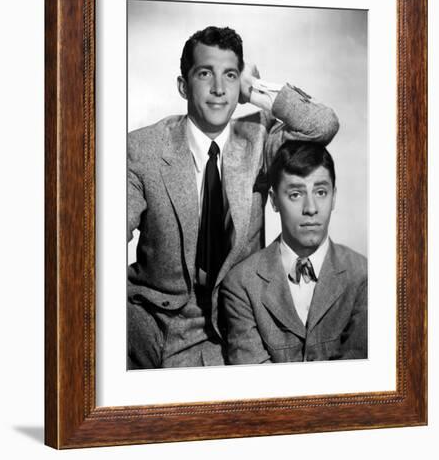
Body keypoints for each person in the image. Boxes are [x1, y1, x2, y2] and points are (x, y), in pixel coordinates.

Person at [127, 26, 339, 369]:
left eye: (229, 75)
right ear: (183, 86)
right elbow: (97, 246)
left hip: (229, 329)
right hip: (149, 327)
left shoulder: (259, 139)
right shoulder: (141, 149)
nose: (218, 88)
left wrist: (253, 88)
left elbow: (323, 124)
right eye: (204, 74)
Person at [221, 140, 367, 364]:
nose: (311, 208)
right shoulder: (240, 285)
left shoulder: (364, 276)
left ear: (334, 197)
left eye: (320, 192)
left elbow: (361, 379)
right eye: (296, 194)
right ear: (274, 201)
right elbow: (253, 387)